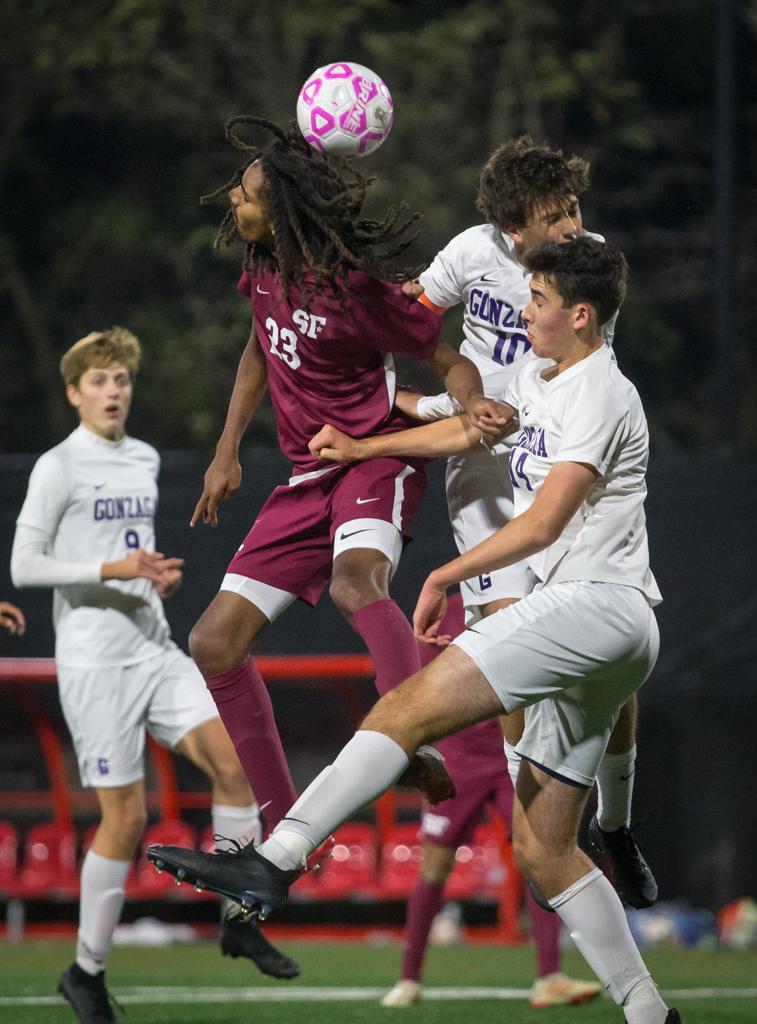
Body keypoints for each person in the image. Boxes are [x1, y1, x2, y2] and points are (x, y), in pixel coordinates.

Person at [148, 238, 682, 1024]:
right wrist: (366, 443)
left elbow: (542, 523)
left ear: (578, 314)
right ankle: (648, 1011)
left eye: (535, 300)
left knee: (401, 712)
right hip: (606, 633)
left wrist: (443, 575)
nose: (521, 310)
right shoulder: (543, 379)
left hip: (588, 609)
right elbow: (468, 431)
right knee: (543, 850)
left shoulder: (602, 394)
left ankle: (273, 860)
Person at [335, 136, 654, 910]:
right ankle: (542, 839)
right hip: (481, 468)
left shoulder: (586, 269)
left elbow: (567, 382)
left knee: (609, 653)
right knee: (510, 657)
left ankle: (615, 822)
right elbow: (408, 318)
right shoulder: (470, 253)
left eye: (575, 207)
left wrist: (434, 406)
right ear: (512, 231)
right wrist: (428, 385)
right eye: (555, 215)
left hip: (555, 459)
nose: (575, 224)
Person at [182, 117, 510, 836]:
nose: (233, 202)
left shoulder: (354, 289)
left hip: (375, 454)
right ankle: (283, 827)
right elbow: (256, 348)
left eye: (243, 194)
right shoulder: (264, 266)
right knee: (211, 644)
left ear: (282, 210)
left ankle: (406, 730)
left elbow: (444, 357)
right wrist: (226, 449)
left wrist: (472, 392)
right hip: (308, 473)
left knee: (353, 582)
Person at [10, 328, 298, 1024]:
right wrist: (111, 571)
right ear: (75, 392)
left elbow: (127, 553)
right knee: (127, 816)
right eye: (99, 382)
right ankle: (85, 973)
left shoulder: (141, 459)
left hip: (152, 648)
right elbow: (26, 566)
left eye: (121, 380)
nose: (114, 392)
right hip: (94, 664)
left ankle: (235, 918)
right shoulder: (58, 466)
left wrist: (151, 575)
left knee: (234, 764)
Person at [381, 594, 602, 1010]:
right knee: (435, 866)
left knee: (540, 857)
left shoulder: (527, 599)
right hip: (458, 755)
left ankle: (550, 976)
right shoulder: (444, 606)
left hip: (514, 751)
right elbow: (417, 684)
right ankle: (409, 979)